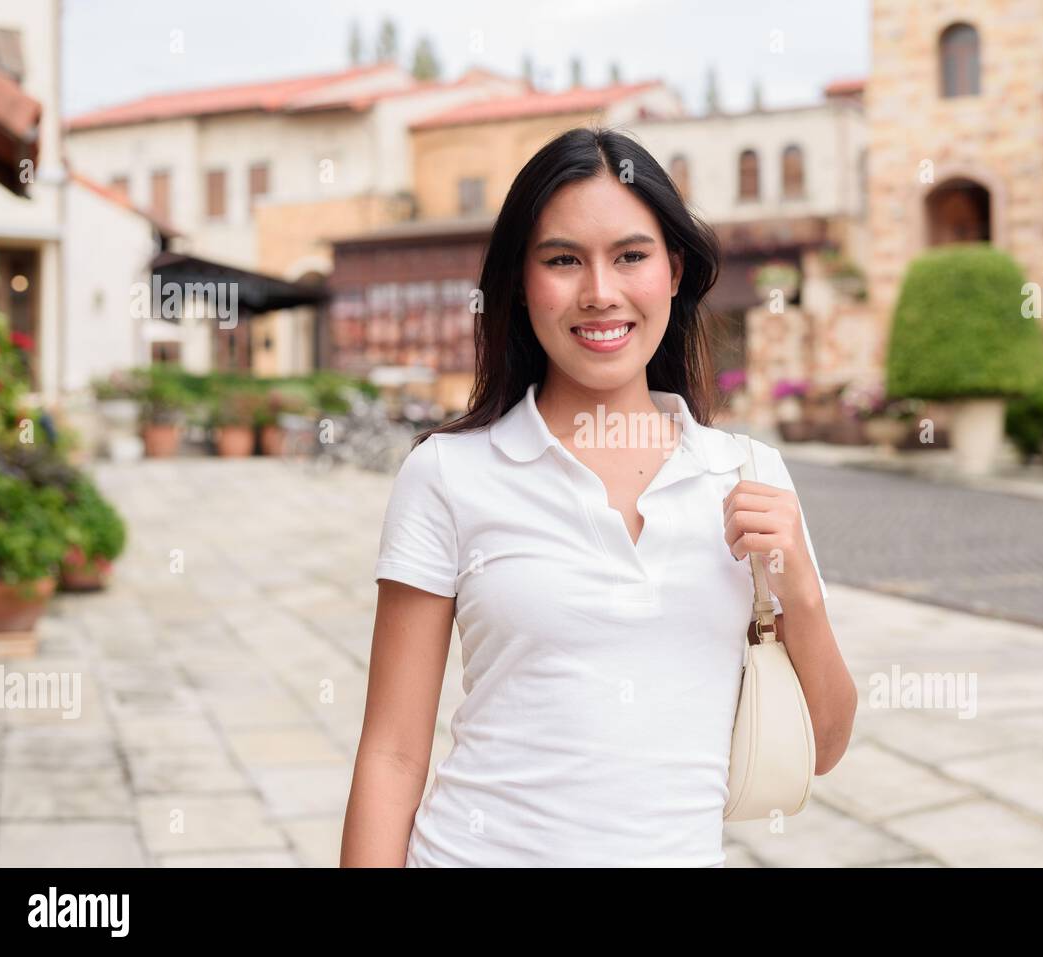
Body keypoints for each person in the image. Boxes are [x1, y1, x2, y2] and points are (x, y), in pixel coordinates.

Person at [340, 126, 856, 868]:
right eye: (562, 260)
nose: (600, 293)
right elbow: (391, 754)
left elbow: (825, 746)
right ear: (521, 280)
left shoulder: (747, 473)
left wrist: (797, 586)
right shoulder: (447, 475)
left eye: (630, 256)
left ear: (674, 270)